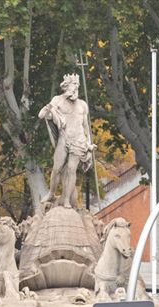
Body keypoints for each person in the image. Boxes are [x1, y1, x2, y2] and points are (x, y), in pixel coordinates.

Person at [38, 73, 95, 208]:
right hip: (64, 139)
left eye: (77, 87)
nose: (75, 90)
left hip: (79, 141)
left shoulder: (82, 105)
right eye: (72, 87)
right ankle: (51, 193)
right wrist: (53, 106)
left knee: (71, 169)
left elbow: (86, 126)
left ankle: (67, 199)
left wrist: (89, 143)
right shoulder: (58, 100)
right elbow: (41, 115)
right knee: (56, 168)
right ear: (66, 88)